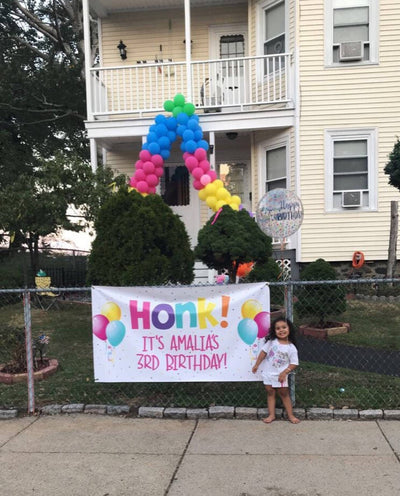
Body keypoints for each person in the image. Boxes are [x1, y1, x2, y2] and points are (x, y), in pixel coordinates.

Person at [252, 317, 300, 424]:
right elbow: (263, 353)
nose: (281, 330)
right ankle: (271, 415)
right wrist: (256, 365)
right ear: (274, 331)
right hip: (268, 373)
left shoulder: (291, 347)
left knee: (284, 394)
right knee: (270, 392)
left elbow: (294, 363)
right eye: (278, 328)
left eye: (284, 327)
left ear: (289, 329)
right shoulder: (271, 342)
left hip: (280, 376)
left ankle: (291, 416)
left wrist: (284, 372)